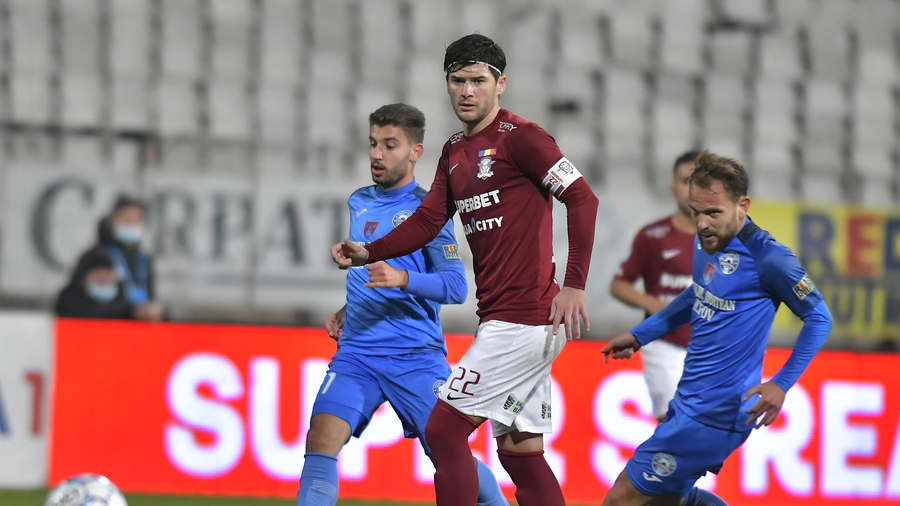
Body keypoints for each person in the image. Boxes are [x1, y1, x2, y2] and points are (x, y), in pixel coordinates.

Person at [332, 34, 600, 506]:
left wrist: (575, 284)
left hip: (523, 318)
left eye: (478, 80)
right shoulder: (454, 151)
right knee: (521, 455)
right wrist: (368, 252)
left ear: (501, 84)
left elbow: (581, 197)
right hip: (509, 318)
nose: (467, 91)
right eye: (458, 81)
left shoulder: (525, 140)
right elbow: (428, 221)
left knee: (444, 432)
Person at [298, 104, 508, 506]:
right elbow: (370, 271)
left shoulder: (430, 211)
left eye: (390, 145)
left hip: (414, 356)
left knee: (449, 456)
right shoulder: (359, 200)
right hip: (357, 352)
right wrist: (349, 308)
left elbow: (455, 286)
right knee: (321, 439)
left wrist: (403, 279)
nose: (377, 154)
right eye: (373, 144)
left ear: (415, 152)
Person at [600, 151, 833, 506]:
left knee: (621, 498)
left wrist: (780, 384)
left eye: (713, 212)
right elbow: (699, 294)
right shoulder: (707, 240)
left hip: (715, 413)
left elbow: (820, 319)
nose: (703, 223)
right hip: (690, 399)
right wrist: (641, 334)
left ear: (743, 205)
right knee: (668, 500)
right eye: (696, 213)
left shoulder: (770, 259)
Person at [610, 151, 699, 422]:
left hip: (708, 347)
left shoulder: (726, 241)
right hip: (665, 344)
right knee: (675, 424)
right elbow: (619, 284)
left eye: (700, 180)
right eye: (686, 181)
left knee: (705, 433)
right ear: (673, 189)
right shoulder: (653, 236)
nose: (693, 188)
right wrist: (654, 305)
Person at [73, 195, 163, 321]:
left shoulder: (143, 259)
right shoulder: (97, 257)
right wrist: (131, 311)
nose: (131, 224)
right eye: (126, 219)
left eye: (136, 220)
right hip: (105, 330)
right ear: (112, 220)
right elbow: (84, 305)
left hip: (139, 332)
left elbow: (150, 296)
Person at [55, 249, 134, 319]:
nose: (104, 285)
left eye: (108, 279)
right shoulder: (67, 303)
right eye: (99, 279)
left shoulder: (126, 308)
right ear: (83, 278)